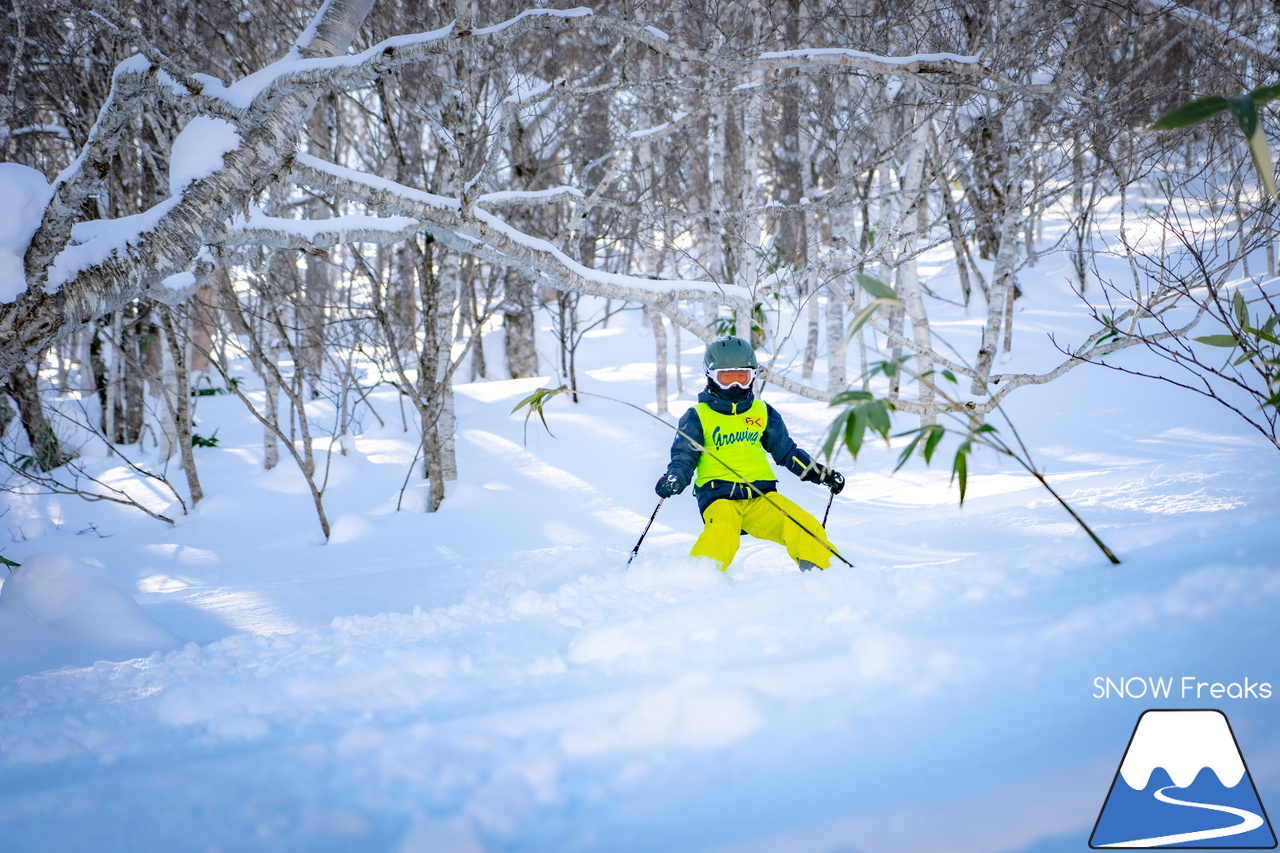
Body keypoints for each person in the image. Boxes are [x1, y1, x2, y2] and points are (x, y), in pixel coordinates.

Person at [655, 335, 846, 572]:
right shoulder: (698, 416)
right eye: (726, 378)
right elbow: (683, 459)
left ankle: (828, 576)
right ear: (711, 377)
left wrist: (822, 474)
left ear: (752, 376)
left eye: (741, 377)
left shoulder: (762, 412)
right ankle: (697, 579)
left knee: (803, 525)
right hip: (719, 498)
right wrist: (675, 479)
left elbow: (787, 453)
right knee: (722, 535)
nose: (735, 385)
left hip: (761, 497)